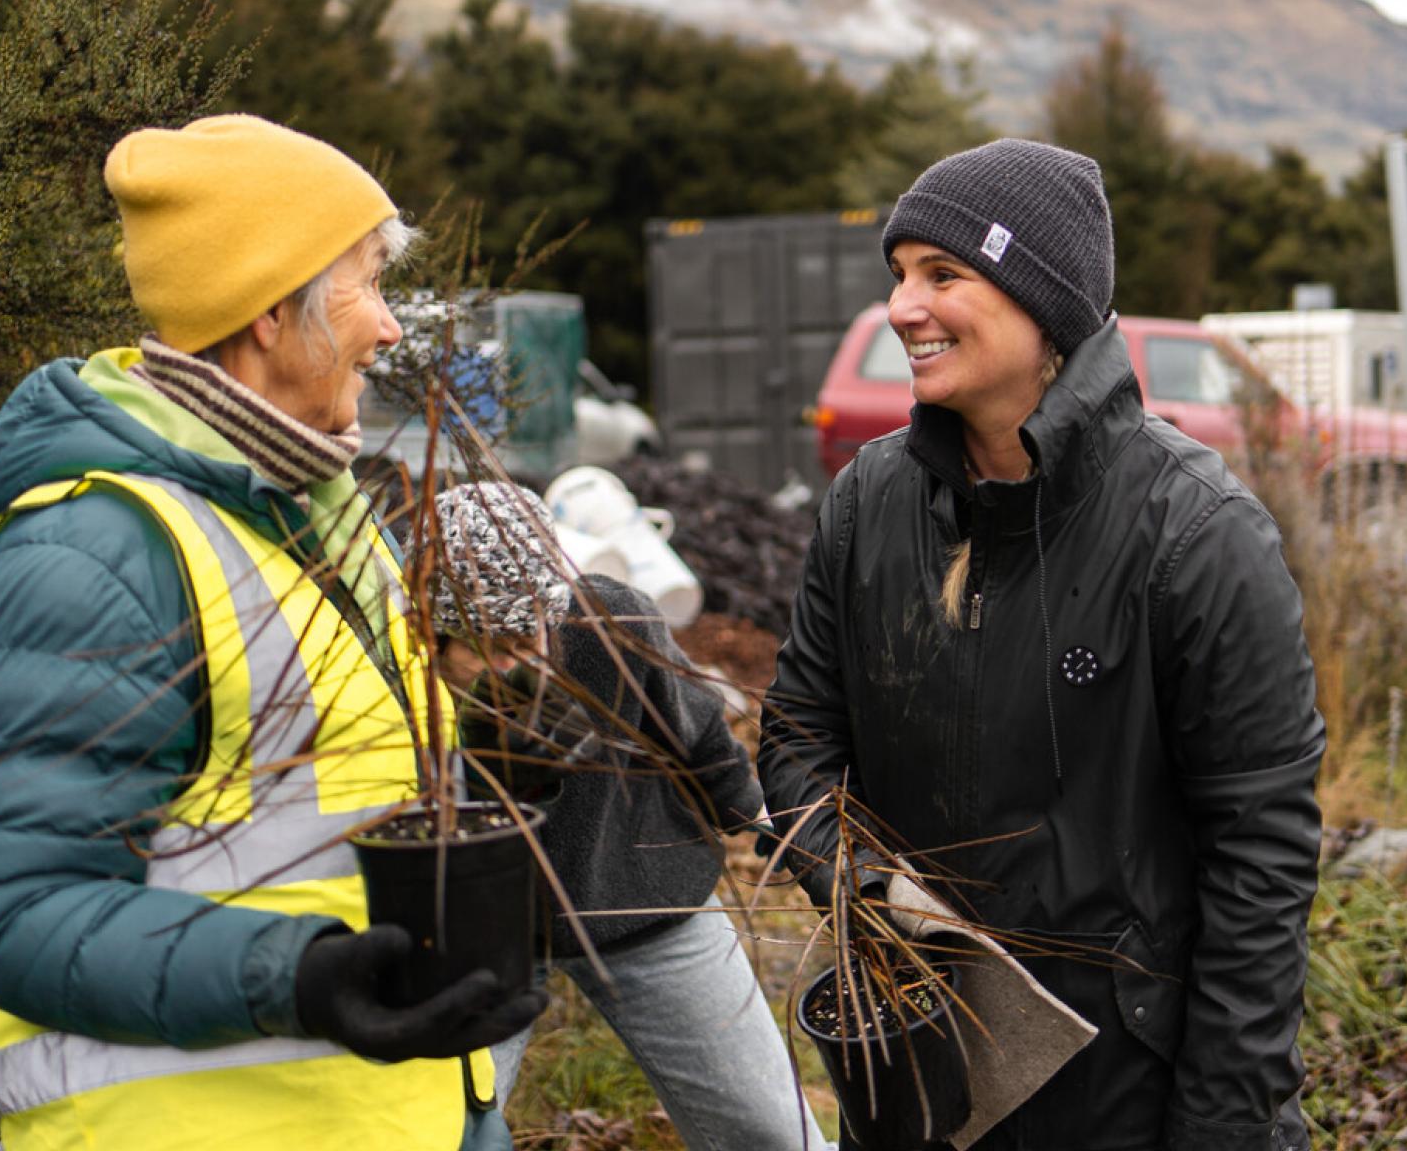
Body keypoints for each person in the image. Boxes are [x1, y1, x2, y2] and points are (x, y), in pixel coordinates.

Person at [0, 114, 546, 1151]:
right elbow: (14, 916)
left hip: (396, 1110)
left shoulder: (309, 506)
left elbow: (313, 780)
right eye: (367, 284)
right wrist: (298, 979)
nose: (390, 328)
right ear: (270, 312)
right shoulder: (95, 552)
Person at [759, 139, 1327, 1151]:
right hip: (913, 1074)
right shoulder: (869, 506)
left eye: (944, 274)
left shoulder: (1194, 535)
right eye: (897, 276)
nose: (901, 308)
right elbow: (799, 734)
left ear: (1046, 301)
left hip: (1123, 1095)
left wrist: (1222, 1126)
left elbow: (1262, 859)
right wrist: (873, 899)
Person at [432, 482, 827, 1151]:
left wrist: (762, 818)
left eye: (525, 634)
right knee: (435, 1134)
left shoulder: (609, 623)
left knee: (775, 1133)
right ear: (433, 633)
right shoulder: (397, 680)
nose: (513, 662)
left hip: (640, 893)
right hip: (482, 931)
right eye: (486, 646)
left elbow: (699, 734)